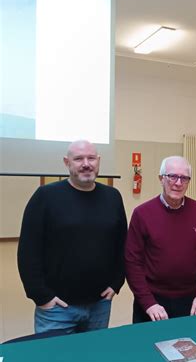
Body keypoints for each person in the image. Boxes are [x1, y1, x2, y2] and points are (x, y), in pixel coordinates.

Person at [17, 140, 127, 334]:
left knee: (93, 359)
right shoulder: (45, 197)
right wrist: (42, 297)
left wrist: (117, 283)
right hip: (57, 308)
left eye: (91, 158)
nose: (86, 163)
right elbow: (28, 251)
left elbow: (122, 244)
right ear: (67, 162)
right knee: (55, 361)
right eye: (78, 159)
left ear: (98, 161)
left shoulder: (112, 197)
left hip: (100, 305)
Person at [125, 156, 196, 322]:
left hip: (190, 302)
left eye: (184, 178)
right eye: (172, 176)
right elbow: (132, 263)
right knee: (148, 347)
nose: (178, 182)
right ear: (161, 179)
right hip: (151, 304)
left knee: (190, 347)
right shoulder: (142, 214)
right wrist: (148, 303)